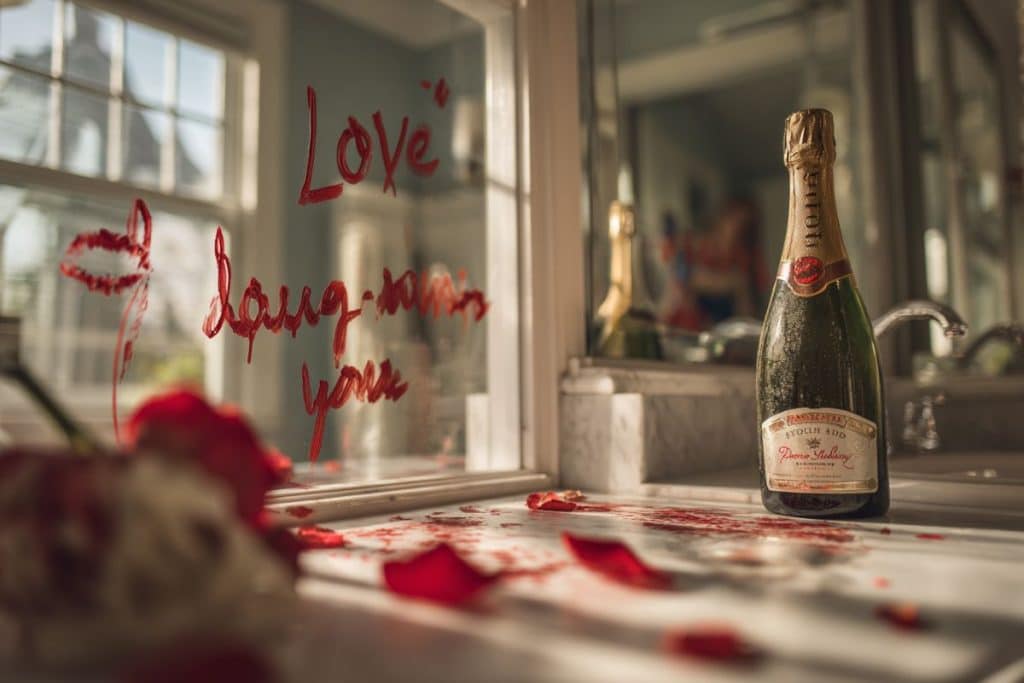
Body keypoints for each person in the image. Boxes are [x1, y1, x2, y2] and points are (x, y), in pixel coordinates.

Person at [659, 198, 769, 331]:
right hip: (693, 327)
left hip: (730, 329)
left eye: (743, 227)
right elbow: (685, 280)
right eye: (731, 220)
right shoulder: (696, 245)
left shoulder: (747, 257)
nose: (733, 230)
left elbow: (751, 305)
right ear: (721, 219)